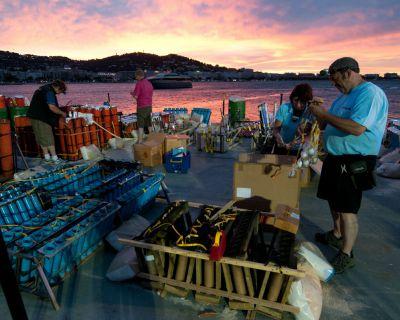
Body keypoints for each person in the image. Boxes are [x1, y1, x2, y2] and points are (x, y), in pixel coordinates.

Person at [309, 57, 388, 273]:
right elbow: (325, 123)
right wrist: (319, 112)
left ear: (347, 73)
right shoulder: (343, 98)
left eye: (335, 80)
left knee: (347, 208)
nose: (334, 85)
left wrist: (325, 114)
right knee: (332, 199)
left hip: (354, 159)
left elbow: (356, 128)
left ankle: (346, 253)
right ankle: (336, 234)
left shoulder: (369, 94)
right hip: (336, 158)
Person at [27, 79, 67, 163]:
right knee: (48, 138)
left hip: (33, 116)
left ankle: (47, 157)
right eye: (60, 91)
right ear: (58, 87)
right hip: (42, 118)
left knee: (41, 137)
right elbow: (52, 107)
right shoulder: (49, 92)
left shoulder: (42, 89)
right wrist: (62, 113)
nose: (59, 93)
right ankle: (55, 159)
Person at [273, 83, 315, 155]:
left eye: (302, 102)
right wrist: (279, 139)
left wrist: (296, 142)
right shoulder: (284, 108)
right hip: (283, 147)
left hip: (301, 150)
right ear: (292, 98)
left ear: (308, 102)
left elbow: (310, 134)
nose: (298, 105)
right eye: (296, 100)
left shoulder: (310, 112)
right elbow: (276, 129)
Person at [130, 69, 153, 143]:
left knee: (141, 125)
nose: (136, 78)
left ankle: (140, 141)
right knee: (149, 123)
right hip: (149, 106)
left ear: (139, 76)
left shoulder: (139, 83)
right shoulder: (149, 83)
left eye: (136, 76)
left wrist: (132, 94)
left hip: (141, 106)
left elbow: (136, 96)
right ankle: (152, 138)